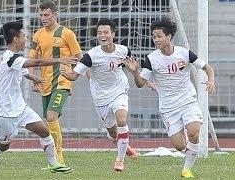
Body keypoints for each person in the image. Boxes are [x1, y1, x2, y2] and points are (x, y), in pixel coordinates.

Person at [0, 21, 75, 178]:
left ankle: (54, 164)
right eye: (23, 36)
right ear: (15, 39)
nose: (25, 39)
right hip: (5, 113)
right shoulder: (11, 58)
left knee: (44, 130)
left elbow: (21, 70)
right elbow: (38, 62)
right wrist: (59, 60)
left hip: (20, 108)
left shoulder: (14, 59)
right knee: (3, 146)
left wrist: (32, 77)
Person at [125, 18, 216, 178]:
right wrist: (135, 73)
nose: (156, 40)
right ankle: (190, 149)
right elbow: (140, 84)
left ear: (169, 36)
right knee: (180, 146)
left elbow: (207, 67)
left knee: (194, 131)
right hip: (168, 107)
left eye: (159, 36)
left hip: (187, 100)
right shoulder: (151, 59)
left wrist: (211, 80)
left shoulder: (184, 53)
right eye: (154, 37)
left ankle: (186, 169)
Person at [60, 19, 138, 172]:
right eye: (99, 33)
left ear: (113, 34)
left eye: (106, 32)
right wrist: (66, 74)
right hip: (101, 97)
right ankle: (125, 145)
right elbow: (75, 76)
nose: (102, 35)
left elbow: (131, 67)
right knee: (113, 132)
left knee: (122, 120)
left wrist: (133, 70)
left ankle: (119, 160)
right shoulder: (91, 56)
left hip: (119, 91)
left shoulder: (124, 50)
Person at [28, 1, 82, 170]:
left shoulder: (67, 34)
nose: (43, 18)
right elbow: (32, 59)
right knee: (50, 121)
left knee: (51, 117)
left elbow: (79, 56)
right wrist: (32, 79)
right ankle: (53, 161)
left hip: (62, 82)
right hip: (45, 83)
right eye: (41, 15)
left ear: (55, 14)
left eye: (47, 15)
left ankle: (58, 156)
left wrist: (74, 75)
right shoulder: (37, 35)